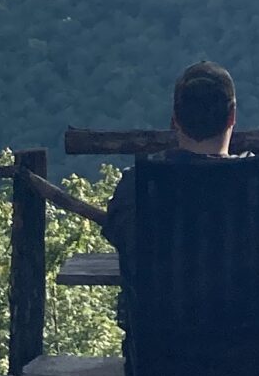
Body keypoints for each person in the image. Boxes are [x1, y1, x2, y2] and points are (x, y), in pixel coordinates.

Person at [102, 59, 243, 286]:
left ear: (175, 118)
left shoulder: (137, 187)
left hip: (159, 322)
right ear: (232, 116)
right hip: (252, 321)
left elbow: (121, 240)